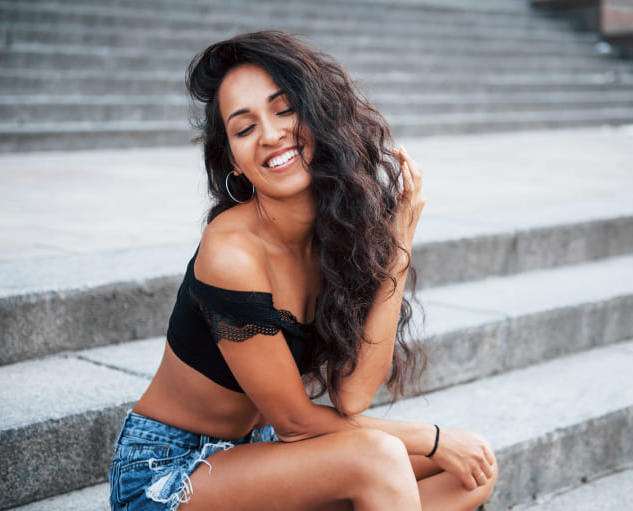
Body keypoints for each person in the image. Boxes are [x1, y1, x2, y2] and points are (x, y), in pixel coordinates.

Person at [109, 30, 497, 511]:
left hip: (260, 457)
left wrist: (397, 246)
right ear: (233, 160)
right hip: (170, 474)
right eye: (244, 128)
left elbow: (352, 396)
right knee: (383, 457)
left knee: (470, 473)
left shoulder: (337, 231)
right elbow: (295, 422)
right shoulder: (232, 252)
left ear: (318, 115)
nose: (270, 135)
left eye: (283, 109)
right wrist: (433, 438)